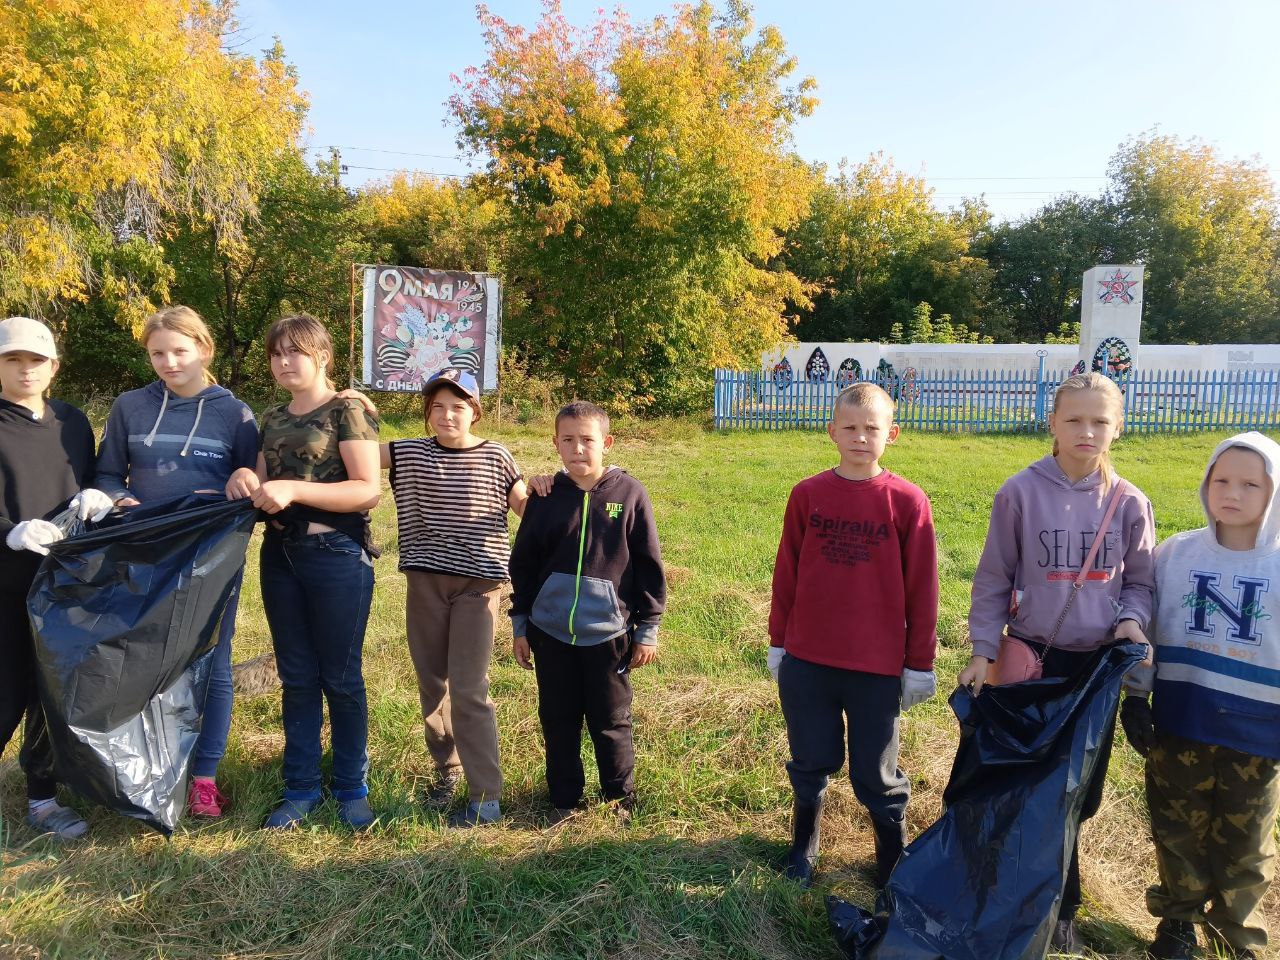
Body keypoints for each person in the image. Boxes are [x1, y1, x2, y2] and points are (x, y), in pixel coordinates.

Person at [961, 371, 1156, 952]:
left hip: (1094, 673)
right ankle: (1009, 888)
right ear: (1052, 423)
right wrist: (981, 650)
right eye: (1074, 419)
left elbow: (1142, 583)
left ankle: (1062, 900)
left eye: (1100, 421)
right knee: (1024, 784)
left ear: (1118, 427)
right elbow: (994, 577)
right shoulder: (1020, 492)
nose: (1087, 431)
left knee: (1079, 793)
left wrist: (1129, 619)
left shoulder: (1129, 504)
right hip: (1029, 665)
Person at [768, 382, 939, 890]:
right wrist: (780, 642)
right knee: (810, 757)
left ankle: (892, 854)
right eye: (849, 428)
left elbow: (923, 588)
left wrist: (919, 662)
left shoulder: (907, 502)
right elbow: (787, 573)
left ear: (893, 433)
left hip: (876, 667)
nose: (860, 437)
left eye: (872, 428)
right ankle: (805, 843)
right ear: (831, 432)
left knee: (876, 771)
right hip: (809, 660)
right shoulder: (808, 494)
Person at [1121, 432, 1280, 960]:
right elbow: (1150, 631)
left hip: (1258, 734)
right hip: (1182, 723)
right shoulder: (1175, 555)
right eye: (1222, 480)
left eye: (1250, 483)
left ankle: (1240, 938)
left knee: (1247, 845)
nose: (1232, 493)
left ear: (1274, 491)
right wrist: (1136, 698)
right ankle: (1176, 925)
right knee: (1176, 829)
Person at [95, 305, 258, 819]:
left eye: (179, 351)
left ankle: (203, 777)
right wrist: (118, 500)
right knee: (141, 660)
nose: (168, 362)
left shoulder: (237, 414)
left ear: (204, 349)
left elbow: (251, 486)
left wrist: (240, 484)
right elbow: (104, 476)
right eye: (157, 353)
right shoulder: (129, 407)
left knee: (211, 661)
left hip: (210, 558)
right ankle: (145, 771)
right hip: (144, 553)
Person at [224, 314, 381, 830]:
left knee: (340, 676)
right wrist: (246, 476)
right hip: (281, 558)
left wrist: (295, 490)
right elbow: (263, 483)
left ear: (322, 356)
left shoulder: (348, 411)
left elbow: (366, 489)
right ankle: (301, 788)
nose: (285, 361)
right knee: (296, 676)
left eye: (296, 351)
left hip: (337, 555)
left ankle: (352, 786)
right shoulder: (270, 417)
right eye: (276, 353)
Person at [383, 366, 527, 828]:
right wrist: (347, 407)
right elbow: (351, 451)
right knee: (433, 684)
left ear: (475, 413)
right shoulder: (407, 454)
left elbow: (525, 504)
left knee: (469, 688)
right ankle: (447, 771)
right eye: (438, 407)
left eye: (458, 407)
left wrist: (551, 489)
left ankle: (486, 795)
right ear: (427, 413)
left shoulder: (497, 457)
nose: (448, 415)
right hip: (425, 583)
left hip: (478, 587)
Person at [509, 401, 665, 825]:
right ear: (556, 444)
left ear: (607, 443)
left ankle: (619, 799)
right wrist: (521, 624)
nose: (579, 448)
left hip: (610, 635)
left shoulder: (630, 495)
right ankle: (563, 801)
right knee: (558, 720)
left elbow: (649, 566)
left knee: (611, 721)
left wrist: (647, 628)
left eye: (588, 440)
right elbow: (521, 564)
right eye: (568, 440)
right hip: (550, 633)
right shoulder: (544, 497)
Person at [0, 316, 113, 840]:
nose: (26, 370)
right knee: (6, 691)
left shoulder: (72, 422)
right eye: (12, 359)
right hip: (5, 581)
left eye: (36, 360)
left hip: (64, 584)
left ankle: (42, 798)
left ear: (54, 367)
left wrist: (96, 496)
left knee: (52, 693)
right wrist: (9, 532)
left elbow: (85, 483)